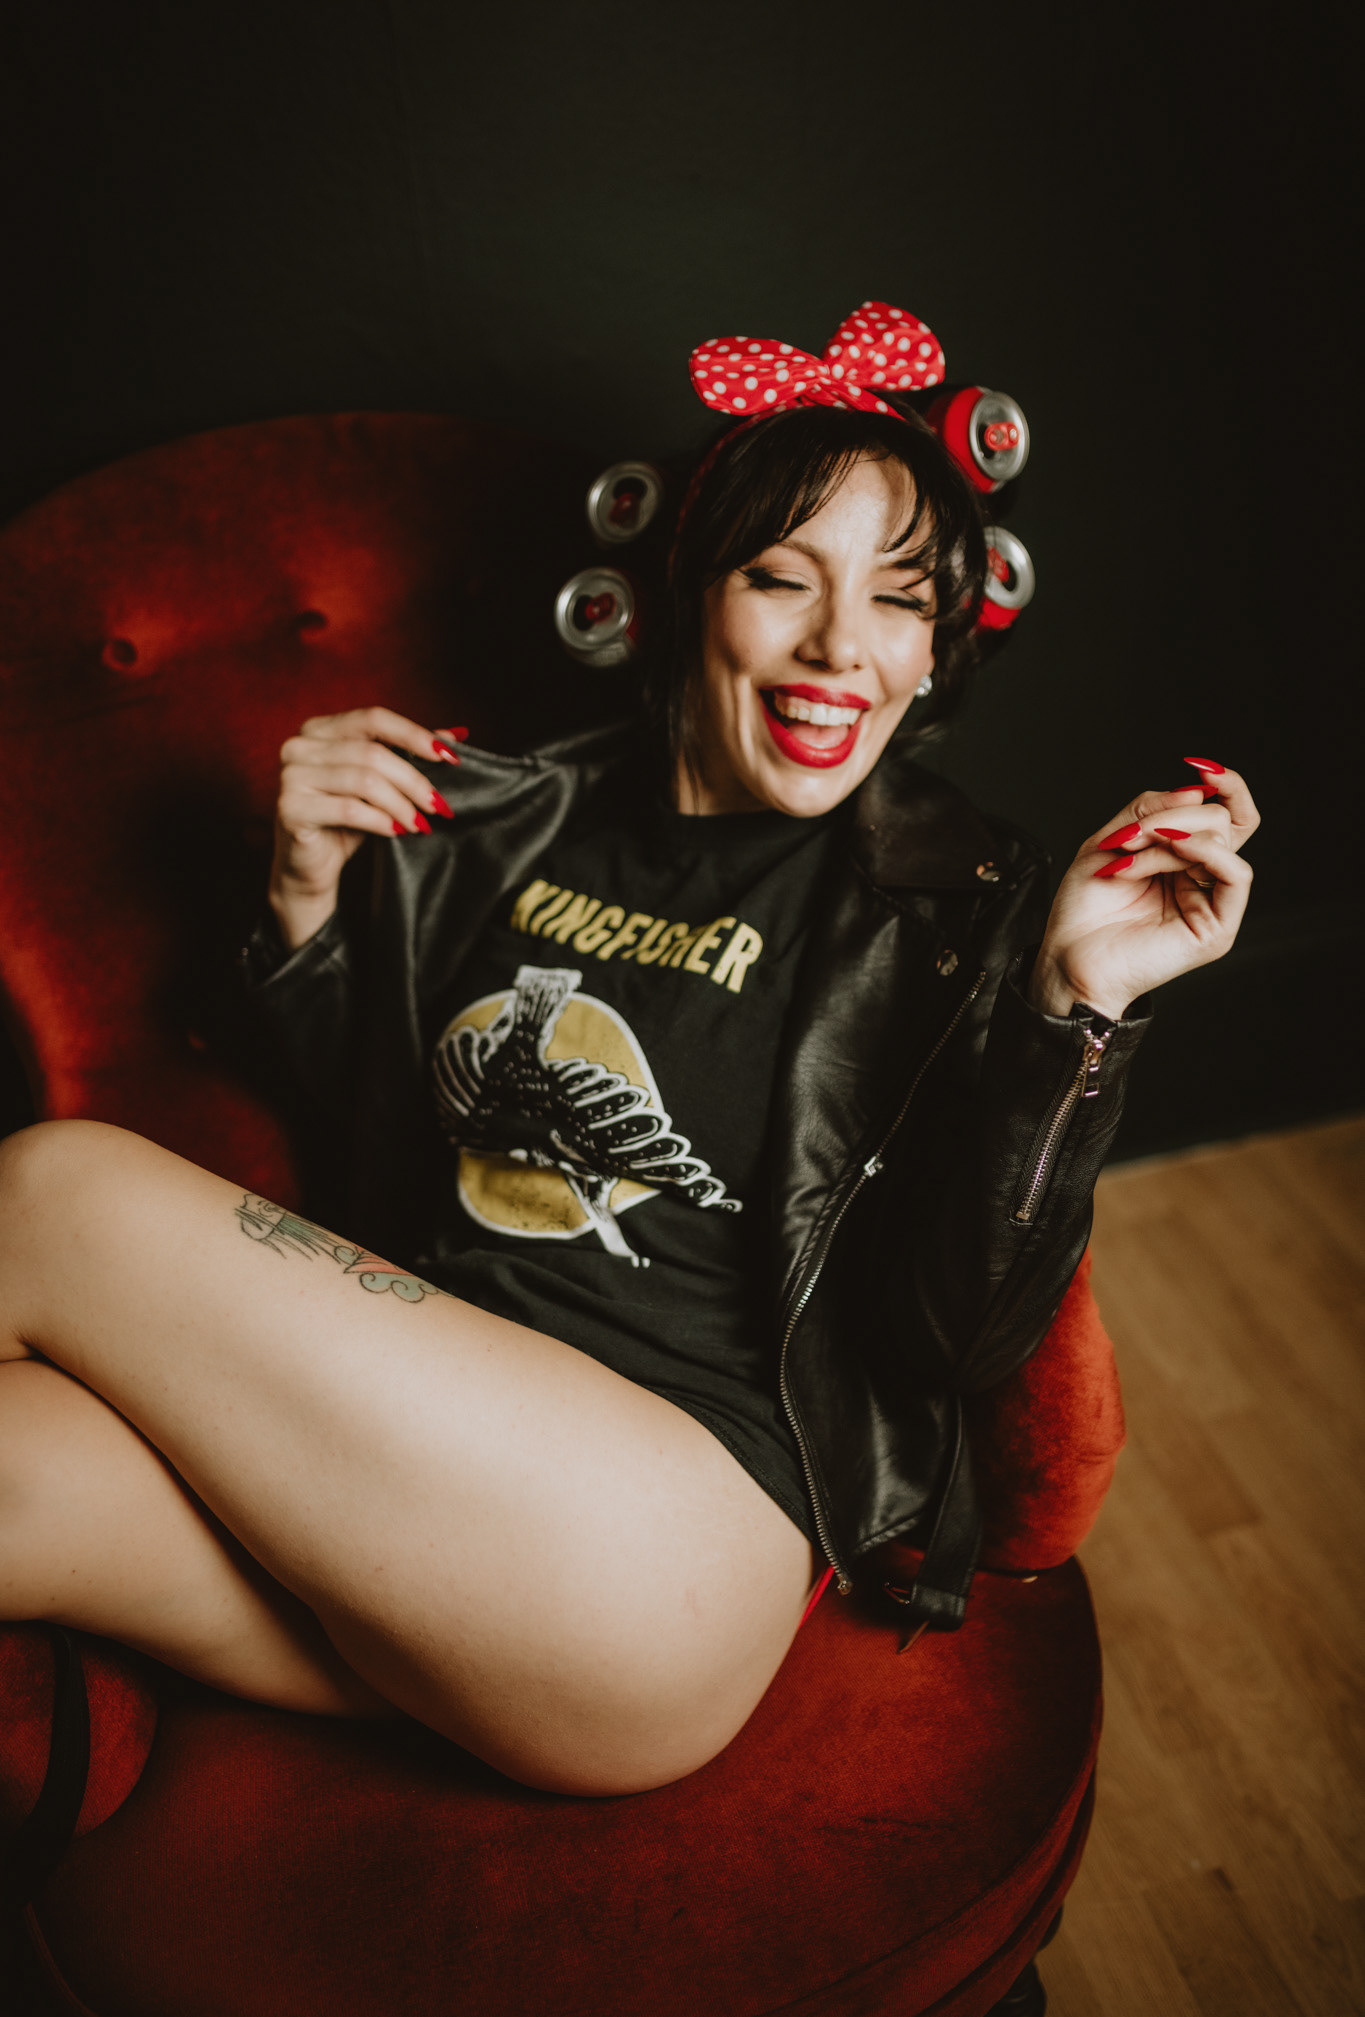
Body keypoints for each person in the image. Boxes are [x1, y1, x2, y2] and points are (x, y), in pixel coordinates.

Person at [0, 307, 1258, 1798]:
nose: (840, 648)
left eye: (898, 601)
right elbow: (372, 1146)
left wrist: (1075, 1015)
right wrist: (306, 902)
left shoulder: (969, 907)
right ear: (681, 594)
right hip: (407, 1516)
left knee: (49, 1187)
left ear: (937, 651)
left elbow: (956, 1340)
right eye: (781, 577)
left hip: (660, 1549)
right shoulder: (509, 820)